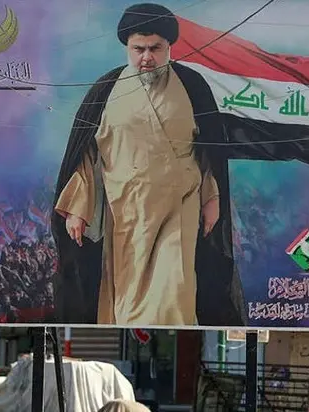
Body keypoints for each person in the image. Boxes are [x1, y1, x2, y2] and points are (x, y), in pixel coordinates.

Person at [52, 2, 246, 327]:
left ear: (169, 47)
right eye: (138, 49)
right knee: (127, 302)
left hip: (179, 207)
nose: (146, 57)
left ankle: (171, 344)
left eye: (155, 48)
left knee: (174, 294)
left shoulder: (192, 87)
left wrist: (211, 198)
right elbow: (86, 153)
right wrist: (77, 208)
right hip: (125, 212)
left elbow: (208, 151)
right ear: (127, 48)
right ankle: (137, 345)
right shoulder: (107, 89)